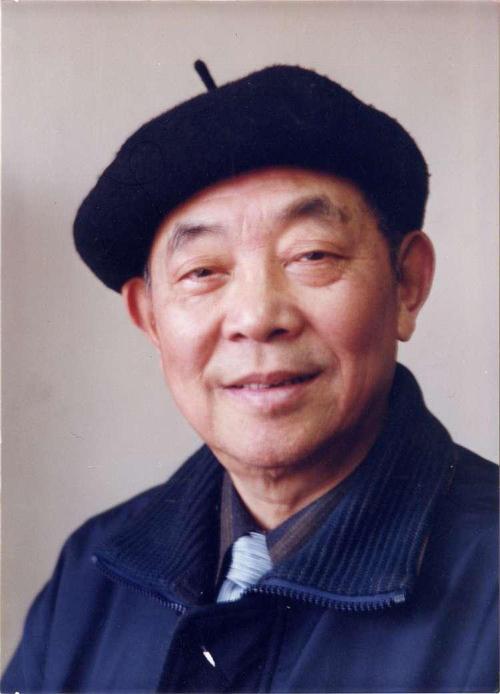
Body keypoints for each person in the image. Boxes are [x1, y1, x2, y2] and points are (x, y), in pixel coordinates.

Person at [2, 62, 498, 693]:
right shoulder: (91, 576)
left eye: (312, 255)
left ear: (408, 284)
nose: (258, 317)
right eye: (203, 271)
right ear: (150, 318)